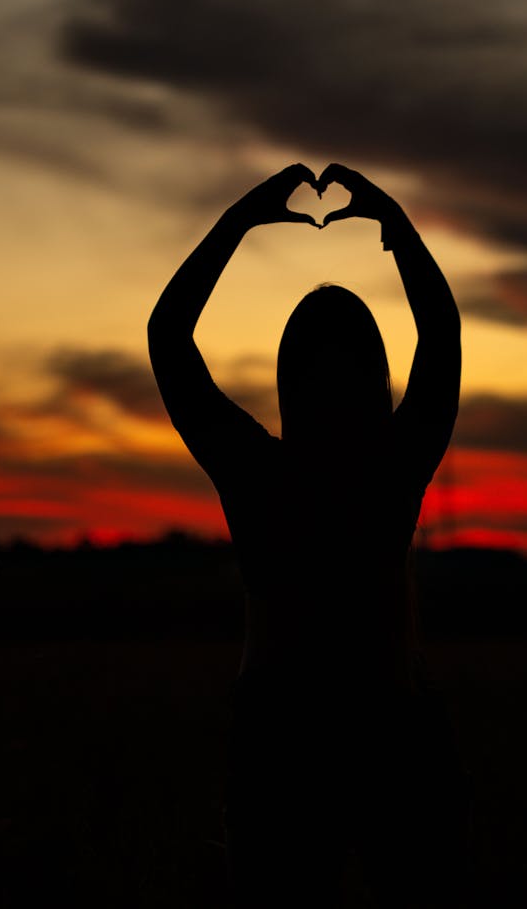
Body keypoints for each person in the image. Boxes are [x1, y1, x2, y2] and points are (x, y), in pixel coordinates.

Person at [148, 163, 471, 907]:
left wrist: (243, 220)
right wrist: (393, 222)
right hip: (392, 738)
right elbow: (443, 331)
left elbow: (169, 336)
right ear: (375, 378)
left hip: (280, 748)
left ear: (290, 380)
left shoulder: (262, 475)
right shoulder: (390, 471)